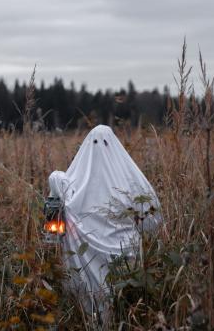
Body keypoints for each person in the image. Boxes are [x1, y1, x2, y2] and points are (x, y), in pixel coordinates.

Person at [48, 125, 162, 318]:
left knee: (100, 301)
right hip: (125, 255)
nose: (99, 148)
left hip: (94, 258)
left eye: (104, 144)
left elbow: (61, 203)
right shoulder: (128, 180)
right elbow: (151, 217)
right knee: (122, 300)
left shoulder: (74, 185)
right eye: (96, 143)